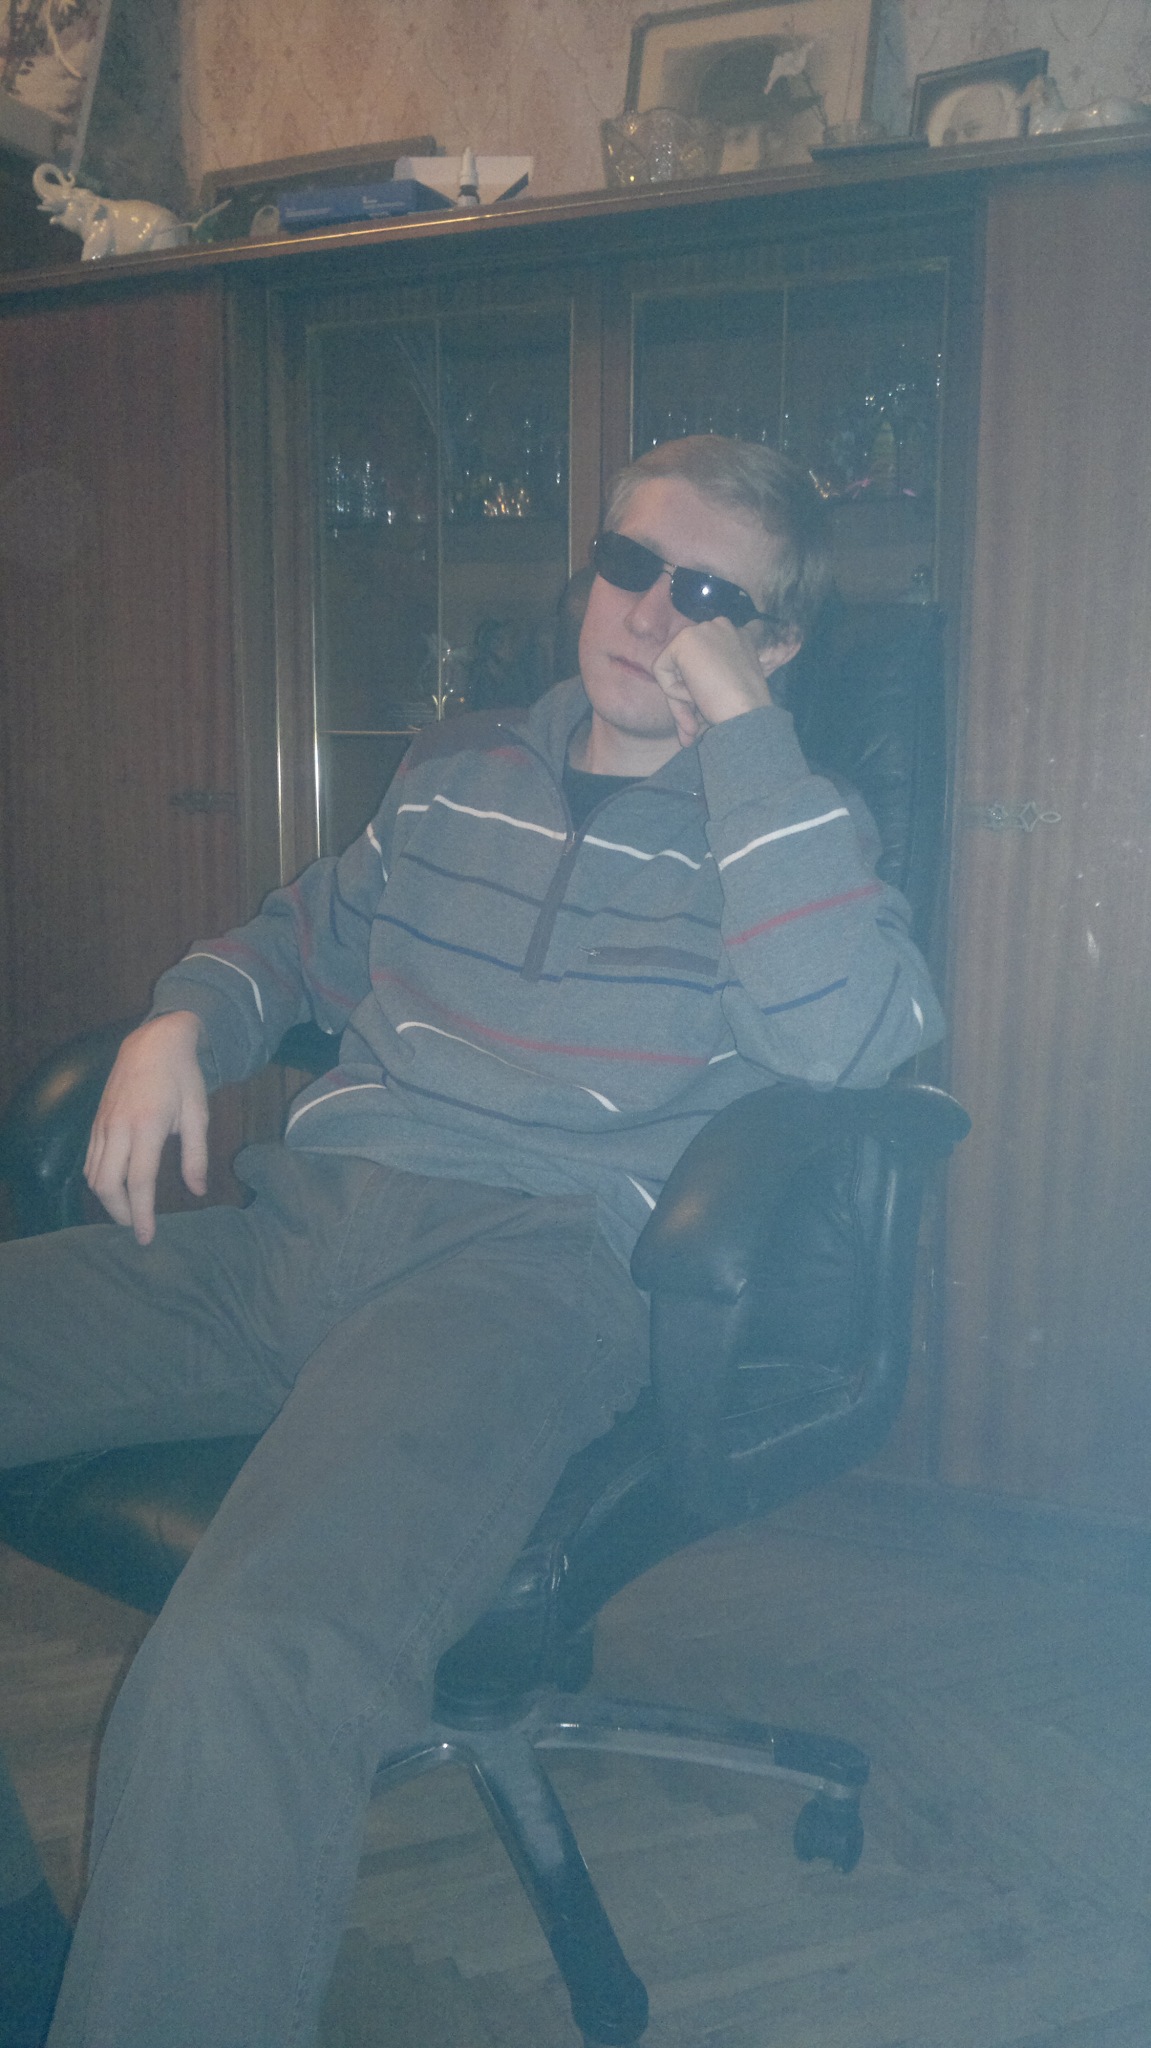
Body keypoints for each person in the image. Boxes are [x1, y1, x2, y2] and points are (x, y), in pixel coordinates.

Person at [0, 435, 942, 2047]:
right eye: (631, 565)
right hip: (299, 1233)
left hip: (527, 1280)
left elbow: (853, 1043)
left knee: (249, 1657)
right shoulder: (456, 772)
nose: (650, 611)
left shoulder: (793, 828)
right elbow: (299, 941)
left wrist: (749, 747)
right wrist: (182, 1023)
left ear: (775, 643)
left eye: (710, 596)